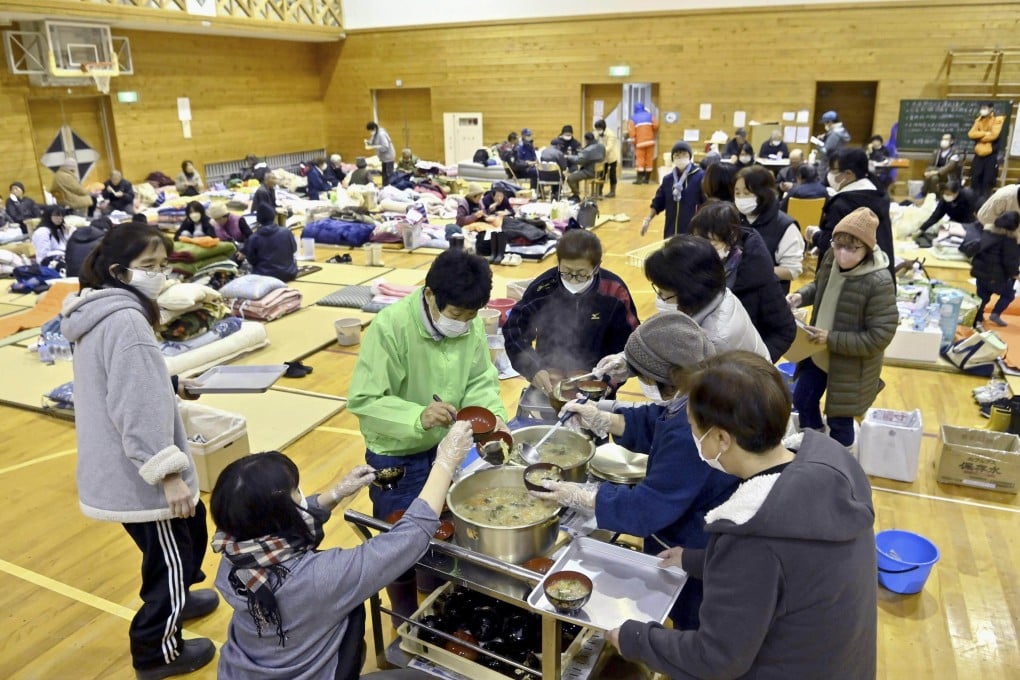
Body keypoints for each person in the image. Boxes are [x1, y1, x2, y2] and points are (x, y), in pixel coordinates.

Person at [608, 350, 877, 680]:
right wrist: (694, 559)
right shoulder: (829, 469)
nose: (692, 438)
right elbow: (782, 573)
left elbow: (715, 658)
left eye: (693, 428)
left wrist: (634, 639)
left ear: (721, 437)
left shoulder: (754, 534)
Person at [61, 223, 219, 679]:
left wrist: (169, 385)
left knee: (188, 535)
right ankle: (156, 652)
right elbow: (133, 405)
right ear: (119, 271)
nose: (160, 273)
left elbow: (120, 382)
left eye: (163, 264)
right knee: (171, 558)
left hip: (117, 462)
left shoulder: (98, 310)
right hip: (139, 475)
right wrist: (167, 475)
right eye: (148, 266)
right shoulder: (127, 319)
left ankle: (180, 597)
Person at [210, 424, 473, 679]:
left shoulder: (233, 556)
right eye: (296, 492)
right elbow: (411, 536)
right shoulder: (320, 577)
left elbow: (285, 529)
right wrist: (445, 462)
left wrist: (333, 495)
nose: (302, 495)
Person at [532, 313, 738, 631]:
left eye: (643, 374)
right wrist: (604, 418)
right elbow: (660, 419)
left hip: (698, 544)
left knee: (693, 623)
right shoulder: (704, 385)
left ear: (669, 376)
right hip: (688, 528)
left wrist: (582, 495)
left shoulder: (694, 425)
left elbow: (646, 508)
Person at [347, 249, 508, 621]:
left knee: (439, 523)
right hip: (395, 451)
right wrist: (419, 415)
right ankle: (403, 612)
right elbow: (365, 399)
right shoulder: (391, 327)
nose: (464, 323)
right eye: (456, 315)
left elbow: (481, 380)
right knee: (398, 533)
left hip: (442, 447)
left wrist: (493, 418)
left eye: (471, 316)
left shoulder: (470, 324)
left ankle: (433, 591)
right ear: (430, 295)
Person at [788, 207, 897, 447]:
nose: (842, 253)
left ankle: (840, 462)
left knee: (839, 420)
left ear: (867, 248)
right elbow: (820, 287)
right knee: (803, 399)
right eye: (837, 245)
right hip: (816, 352)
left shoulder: (878, 281)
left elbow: (880, 336)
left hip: (850, 366)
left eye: (851, 248)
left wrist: (831, 338)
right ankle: (813, 446)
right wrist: (800, 295)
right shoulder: (830, 258)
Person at [502, 229, 639, 396]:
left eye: (582, 274)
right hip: (549, 380)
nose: (573, 279)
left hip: (596, 381)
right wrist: (533, 369)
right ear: (558, 263)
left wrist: (609, 382)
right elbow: (514, 331)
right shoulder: (543, 289)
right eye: (566, 272)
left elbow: (629, 346)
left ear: (596, 267)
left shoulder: (614, 291)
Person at [690, 201, 795, 362]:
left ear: (731, 238)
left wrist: (755, 364)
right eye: (698, 242)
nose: (702, 250)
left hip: (742, 373)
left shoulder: (758, 276)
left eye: (711, 243)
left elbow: (785, 330)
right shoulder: (696, 269)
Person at [644, 234, 769, 357]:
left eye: (662, 289)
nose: (660, 295)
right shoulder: (717, 293)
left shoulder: (712, 341)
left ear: (687, 292)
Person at [808, 147, 895, 274]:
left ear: (848, 174)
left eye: (833, 170)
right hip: (881, 273)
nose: (829, 174)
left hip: (850, 280)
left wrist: (815, 235)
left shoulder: (842, 204)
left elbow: (831, 245)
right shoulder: (878, 195)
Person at [735, 166, 804, 291]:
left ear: (763, 193)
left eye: (746, 193)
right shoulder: (734, 218)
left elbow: (792, 270)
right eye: (737, 193)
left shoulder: (784, 226)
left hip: (768, 295)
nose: (741, 198)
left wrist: (753, 273)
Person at [966, 211, 1020, 327]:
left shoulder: (987, 234)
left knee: (983, 297)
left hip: (980, 274)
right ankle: (995, 314)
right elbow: (1010, 262)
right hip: (995, 277)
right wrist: (1016, 274)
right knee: (1008, 295)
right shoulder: (1009, 241)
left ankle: (978, 318)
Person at [641, 141, 704, 238]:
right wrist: (648, 219)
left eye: (684, 154)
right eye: (677, 155)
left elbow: (707, 203)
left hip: (692, 232)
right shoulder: (668, 179)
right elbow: (658, 202)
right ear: (673, 158)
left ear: (690, 156)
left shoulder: (700, 176)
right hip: (671, 231)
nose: (680, 158)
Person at [915, 179, 977, 247]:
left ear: (956, 193)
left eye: (948, 194)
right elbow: (936, 216)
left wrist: (956, 228)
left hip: (968, 223)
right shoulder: (944, 200)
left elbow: (969, 218)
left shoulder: (967, 197)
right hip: (953, 220)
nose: (946, 195)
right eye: (945, 193)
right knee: (940, 230)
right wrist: (922, 229)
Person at [244, 203, 297, 282]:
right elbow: (294, 249)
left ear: (258, 219)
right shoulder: (286, 232)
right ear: (273, 216)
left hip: (265, 277)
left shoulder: (254, 237)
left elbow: (251, 259)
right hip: (289, 274)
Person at [968, 101, 1006, 203]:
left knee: (987, 181)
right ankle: (973, 203)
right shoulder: (978, 120)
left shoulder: (998, 119)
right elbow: (971, 134)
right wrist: (985, 133)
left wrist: (979, 136)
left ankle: (984, 204)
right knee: (975, 178)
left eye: (984, 108)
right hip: (978, 155)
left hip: (991, 156)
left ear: (991, 109)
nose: (982, 110)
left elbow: (994, 135)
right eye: (981, 108)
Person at [565, 131, 606, 200]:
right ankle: (576, 195)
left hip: (589, 172)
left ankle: (576, 195)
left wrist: (568, 157)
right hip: (599, 172)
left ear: (586, 140)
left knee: (571, 178)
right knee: (576, 174)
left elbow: (579, 160)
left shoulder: (588, 150)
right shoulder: (601, 146)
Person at [811, 110, 851, 177]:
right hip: (835, 165)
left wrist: (817, 143)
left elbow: (825, 151)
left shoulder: (834, 134)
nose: (825, 125)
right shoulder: (841, 132)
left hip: (827, 167)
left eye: (825, 123)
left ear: (830, 122)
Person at [628, 103, 658, 185]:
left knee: (640, 160)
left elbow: (632, 132)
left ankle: (639, 180)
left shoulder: (633, 118)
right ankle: (647, 179)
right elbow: (656, 126)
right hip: (650, 142)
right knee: (649, 160)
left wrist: (633, 143)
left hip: (640, 143)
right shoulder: (650, 116)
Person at [32, 205, 69, 269]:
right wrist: (61, 253)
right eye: (56, 216)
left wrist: (67, 234)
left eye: (61, 216)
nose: (60, 218)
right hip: (47, 263)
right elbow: (43, 254)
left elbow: (66, 246)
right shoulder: (42, 232)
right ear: (48, 216)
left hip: (61, 258)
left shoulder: (59, 229)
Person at [594, 119, 621, 198]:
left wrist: (599, 150)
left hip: (611, 157)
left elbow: (609, 147)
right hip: (602, 158)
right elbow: (595, 142)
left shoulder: (610, 134)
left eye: (599, 129)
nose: (598, 131)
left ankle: (612, 192)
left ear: (603, 127)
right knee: (601, 174)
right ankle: (599, 191)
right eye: (597, 129)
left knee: (612, 174)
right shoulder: (598, 134)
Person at [365, 121, 396, 185]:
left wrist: (375, 146)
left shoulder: (381, 134)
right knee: (384, 173)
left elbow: (385, 146)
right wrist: (368, 142)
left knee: (388, 174)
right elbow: (372, 141)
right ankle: (385, 186)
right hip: (383, 157)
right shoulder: (375, 133)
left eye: (370, 130)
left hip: (388, 156)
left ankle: (390, 187)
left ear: (373, 128)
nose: (370, 132)